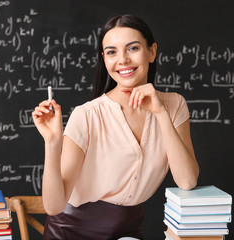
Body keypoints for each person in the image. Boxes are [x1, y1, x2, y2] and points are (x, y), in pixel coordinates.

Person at [32, 14, 199, 240]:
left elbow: (187, 181)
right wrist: (52, 143)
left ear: (152, 51)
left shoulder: (174, 105)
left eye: (132, 48)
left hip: (127, 233)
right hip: (71, 232)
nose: (122, 60)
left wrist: (160, 113)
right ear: (104, 59)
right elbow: (53, 206)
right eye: (112, 52)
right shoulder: (87, 115)